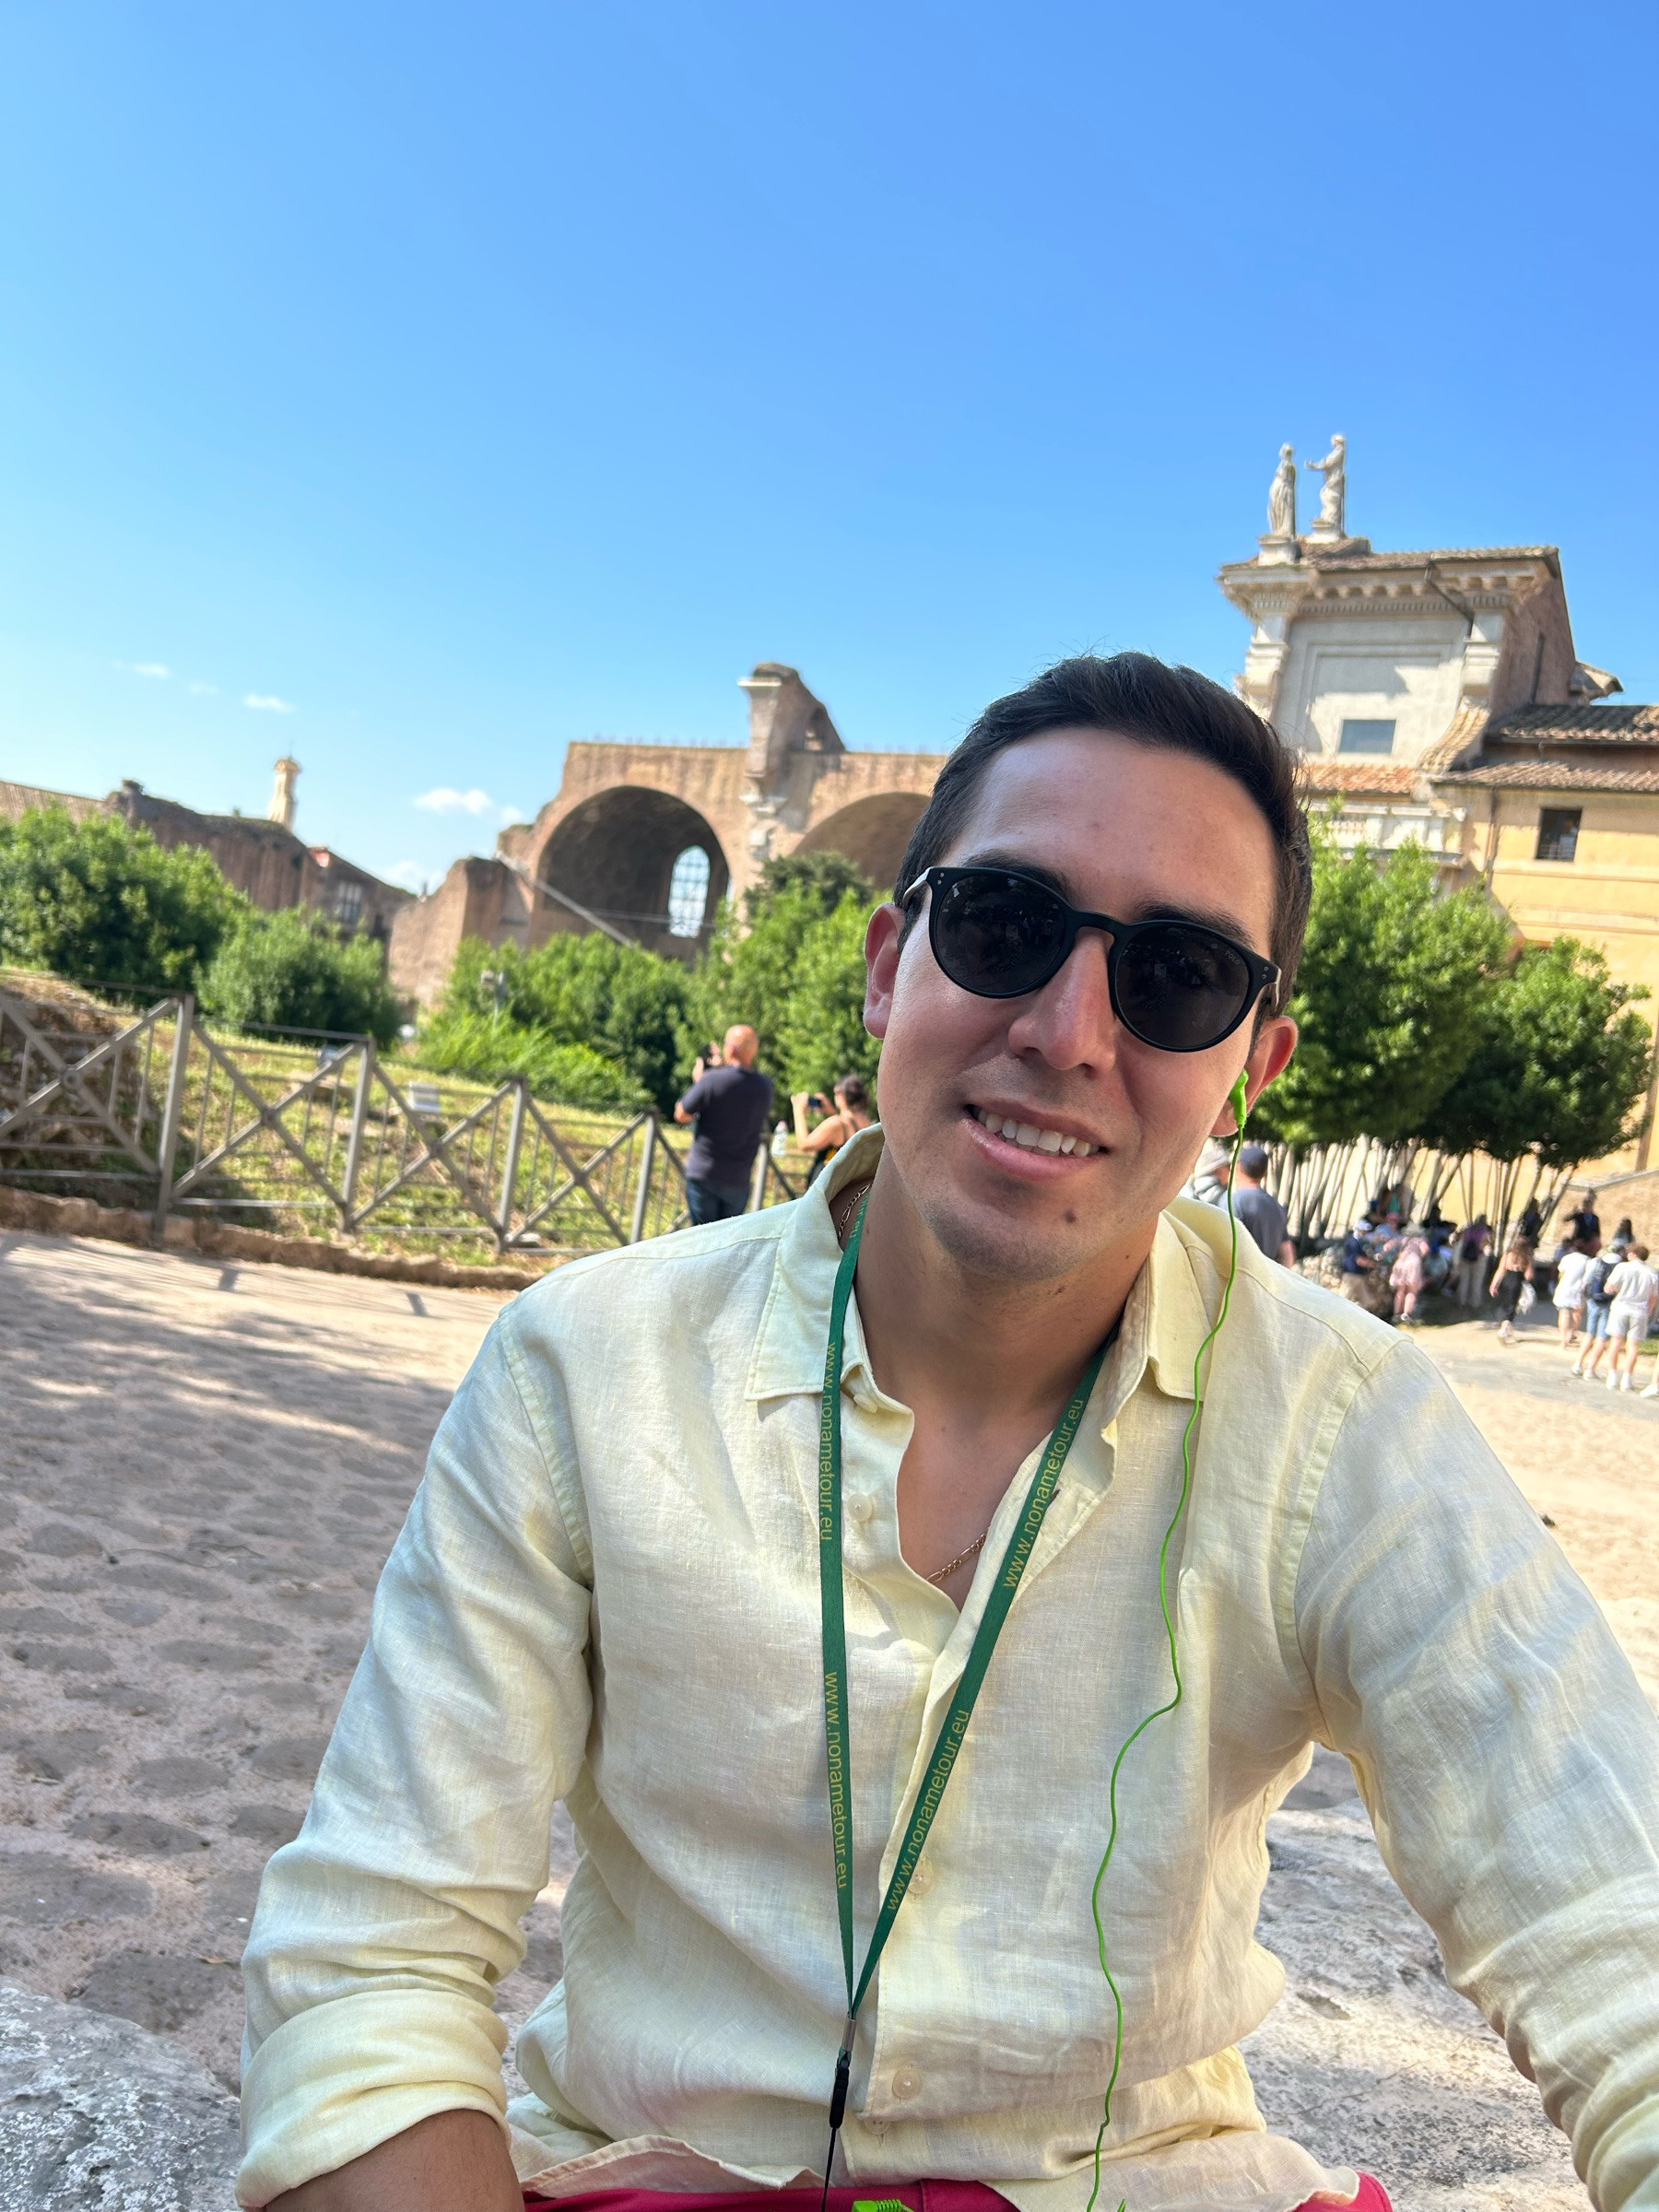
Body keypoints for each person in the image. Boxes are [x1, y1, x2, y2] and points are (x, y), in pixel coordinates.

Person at [238, 653, 1659, 2212]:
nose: (1068, 1030)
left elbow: (1619, 1935)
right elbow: (372, 1967)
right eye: (1003, 925)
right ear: (884, 968)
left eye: (1180, 975)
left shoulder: (1350, 1427)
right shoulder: (585, 1364)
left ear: (1253, 1066)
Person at [673, 1023, 773, 1224]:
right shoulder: (765, 1086)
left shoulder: (711, 1080)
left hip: (704, 1172)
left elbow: (681, 1114)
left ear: (731, 1049)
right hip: (738, 1178)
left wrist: (700, 1082)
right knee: (727, 1238)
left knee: (702, 1236)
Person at [792, 1075, 876, 1184]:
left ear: (842, 1096)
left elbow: (804, 1144)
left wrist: (798, 1111)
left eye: (835, 1093)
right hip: (848, 1188)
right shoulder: (869, 1124)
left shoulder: (837, 1123)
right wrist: (832, 1111)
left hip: (825, 1189)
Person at [1603, 1242, 1659, 1394]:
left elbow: (1608, 1288)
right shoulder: (1652, 1273)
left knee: (1616, 1342)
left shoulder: (1622, 1267)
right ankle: (1627, 1379)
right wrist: (1648, 1312)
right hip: (1639, 1310)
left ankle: (1612, 1376)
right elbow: (1654, 1297)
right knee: (1633, 1346)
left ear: (1633, 1255)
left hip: (1621, 1306)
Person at [1230, 1140, 1294, 1265]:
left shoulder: (1233, 1201)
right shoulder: (1276, 1206)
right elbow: (1287, 1255)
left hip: (1240, 1274)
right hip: (1267, 1275)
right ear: (1265, 1173)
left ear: (1238, 1167)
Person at [1490, 1228, 1536, 1345]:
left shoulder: (1507, 1255)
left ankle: (1508, 1329)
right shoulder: (1526, 1258)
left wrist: (1494, 1284)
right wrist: (1530, 1264)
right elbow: (1528, 1276)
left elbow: (1500, 1271)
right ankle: (1504, 1329)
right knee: (1512, 1306)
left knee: (1505, 1304)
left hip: (1506, 1281)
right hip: (1517, 1282)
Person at [1553, 1236, 1596, 1350]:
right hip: (1579, 1290)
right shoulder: (1588, 1261)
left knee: (1564, 1314)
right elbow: (1588, 1278)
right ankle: (1571, 1333)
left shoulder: (1567, 1258)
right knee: (1577, 1314)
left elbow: (1561, 1273)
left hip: (1565, 1288)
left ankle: (1563, 1340)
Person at [1389, 1225, 1430, 1326]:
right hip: (1413, 1263)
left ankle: (1396, 1314)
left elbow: (1388, 1245)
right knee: (1412, 1291)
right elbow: (1425, 1250)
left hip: (1401, 1263)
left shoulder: (1402, 1238)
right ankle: (1406, 1313)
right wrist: (1420, 1255)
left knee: (1400, 1290)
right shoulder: (1420, 1240)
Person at [1452, 1216, 1490, 1309]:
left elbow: (1461, 1243)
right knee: (1477, 1281)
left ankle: (1461, 1301)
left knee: (1464, 1280)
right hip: (1478, 1258)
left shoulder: (1467, 1230)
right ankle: (1475, 1303)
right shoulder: (1485, 1233)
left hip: (1464, 1257)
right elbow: (1482, 1247)